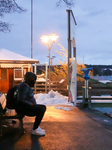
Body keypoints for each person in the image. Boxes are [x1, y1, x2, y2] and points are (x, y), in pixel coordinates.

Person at [15, 72, 46, 136]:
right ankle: (35, 129)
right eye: (34, 80)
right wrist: (30, 104)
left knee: (43, 107)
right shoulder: (24, 87)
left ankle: (36, 127)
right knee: (41, 110)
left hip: (25, 107)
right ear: (30, 80)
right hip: (24, 108)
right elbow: (20, 99)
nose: (35, 82)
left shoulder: (25, 85)